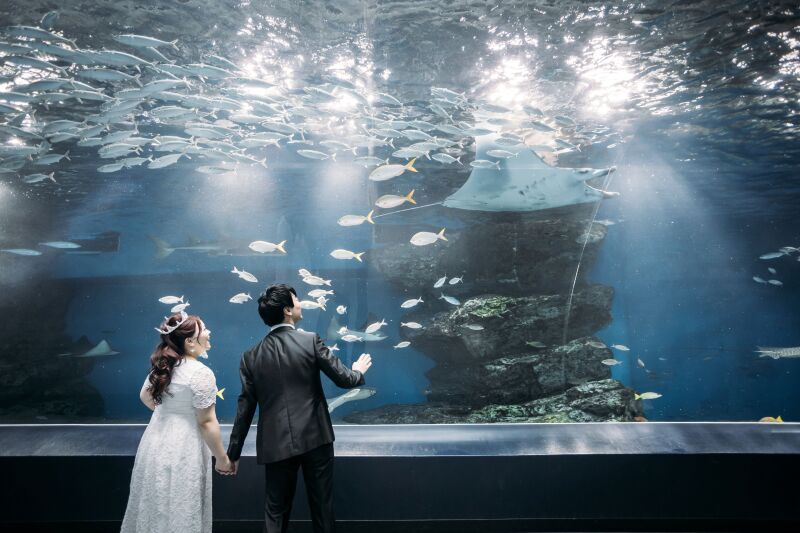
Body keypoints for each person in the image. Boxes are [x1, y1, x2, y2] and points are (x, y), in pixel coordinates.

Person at [224, 284, 372, 533]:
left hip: (275, 442)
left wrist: (234, 453)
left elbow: (245, 408)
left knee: (275, 511)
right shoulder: (309, 340)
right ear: (287, 310)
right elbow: (344, 379)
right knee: (322, 508)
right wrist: (358, 371)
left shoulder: (250, 356)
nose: (301, 303)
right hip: (316, 438)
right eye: (296, 299)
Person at [121, 311, 234, 533]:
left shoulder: (163, 366)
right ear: (190, 341)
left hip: (155, 441)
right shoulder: (201, 373)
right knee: (181, 504)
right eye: (204, 329)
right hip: (185, 446)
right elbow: (207, 421)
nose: (209, 332)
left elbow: (145, 396)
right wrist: (222, 459)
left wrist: (169, 413)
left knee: (156, 502)